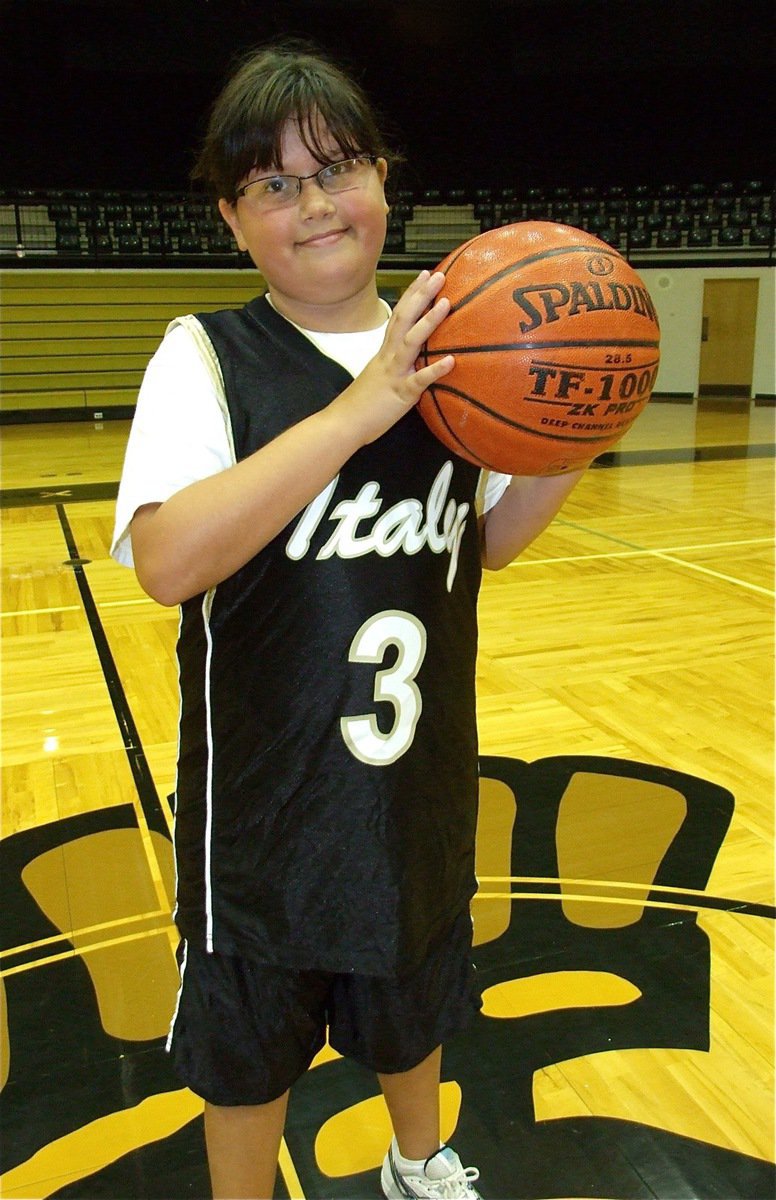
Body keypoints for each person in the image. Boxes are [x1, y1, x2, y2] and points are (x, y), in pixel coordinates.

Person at [111, 39, 587, 1200]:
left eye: (337, 169)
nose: (315, 203)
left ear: (383, 179)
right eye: (274, 183)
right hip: (263, 809)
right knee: (246, 1057)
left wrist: (565, 447)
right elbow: (167, 562)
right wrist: (358, 409)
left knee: (414, 1005)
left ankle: (415, 1164)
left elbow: (471, 550)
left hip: (410, 786)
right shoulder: (207, 357)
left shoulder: (459, 348)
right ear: (232, 221)